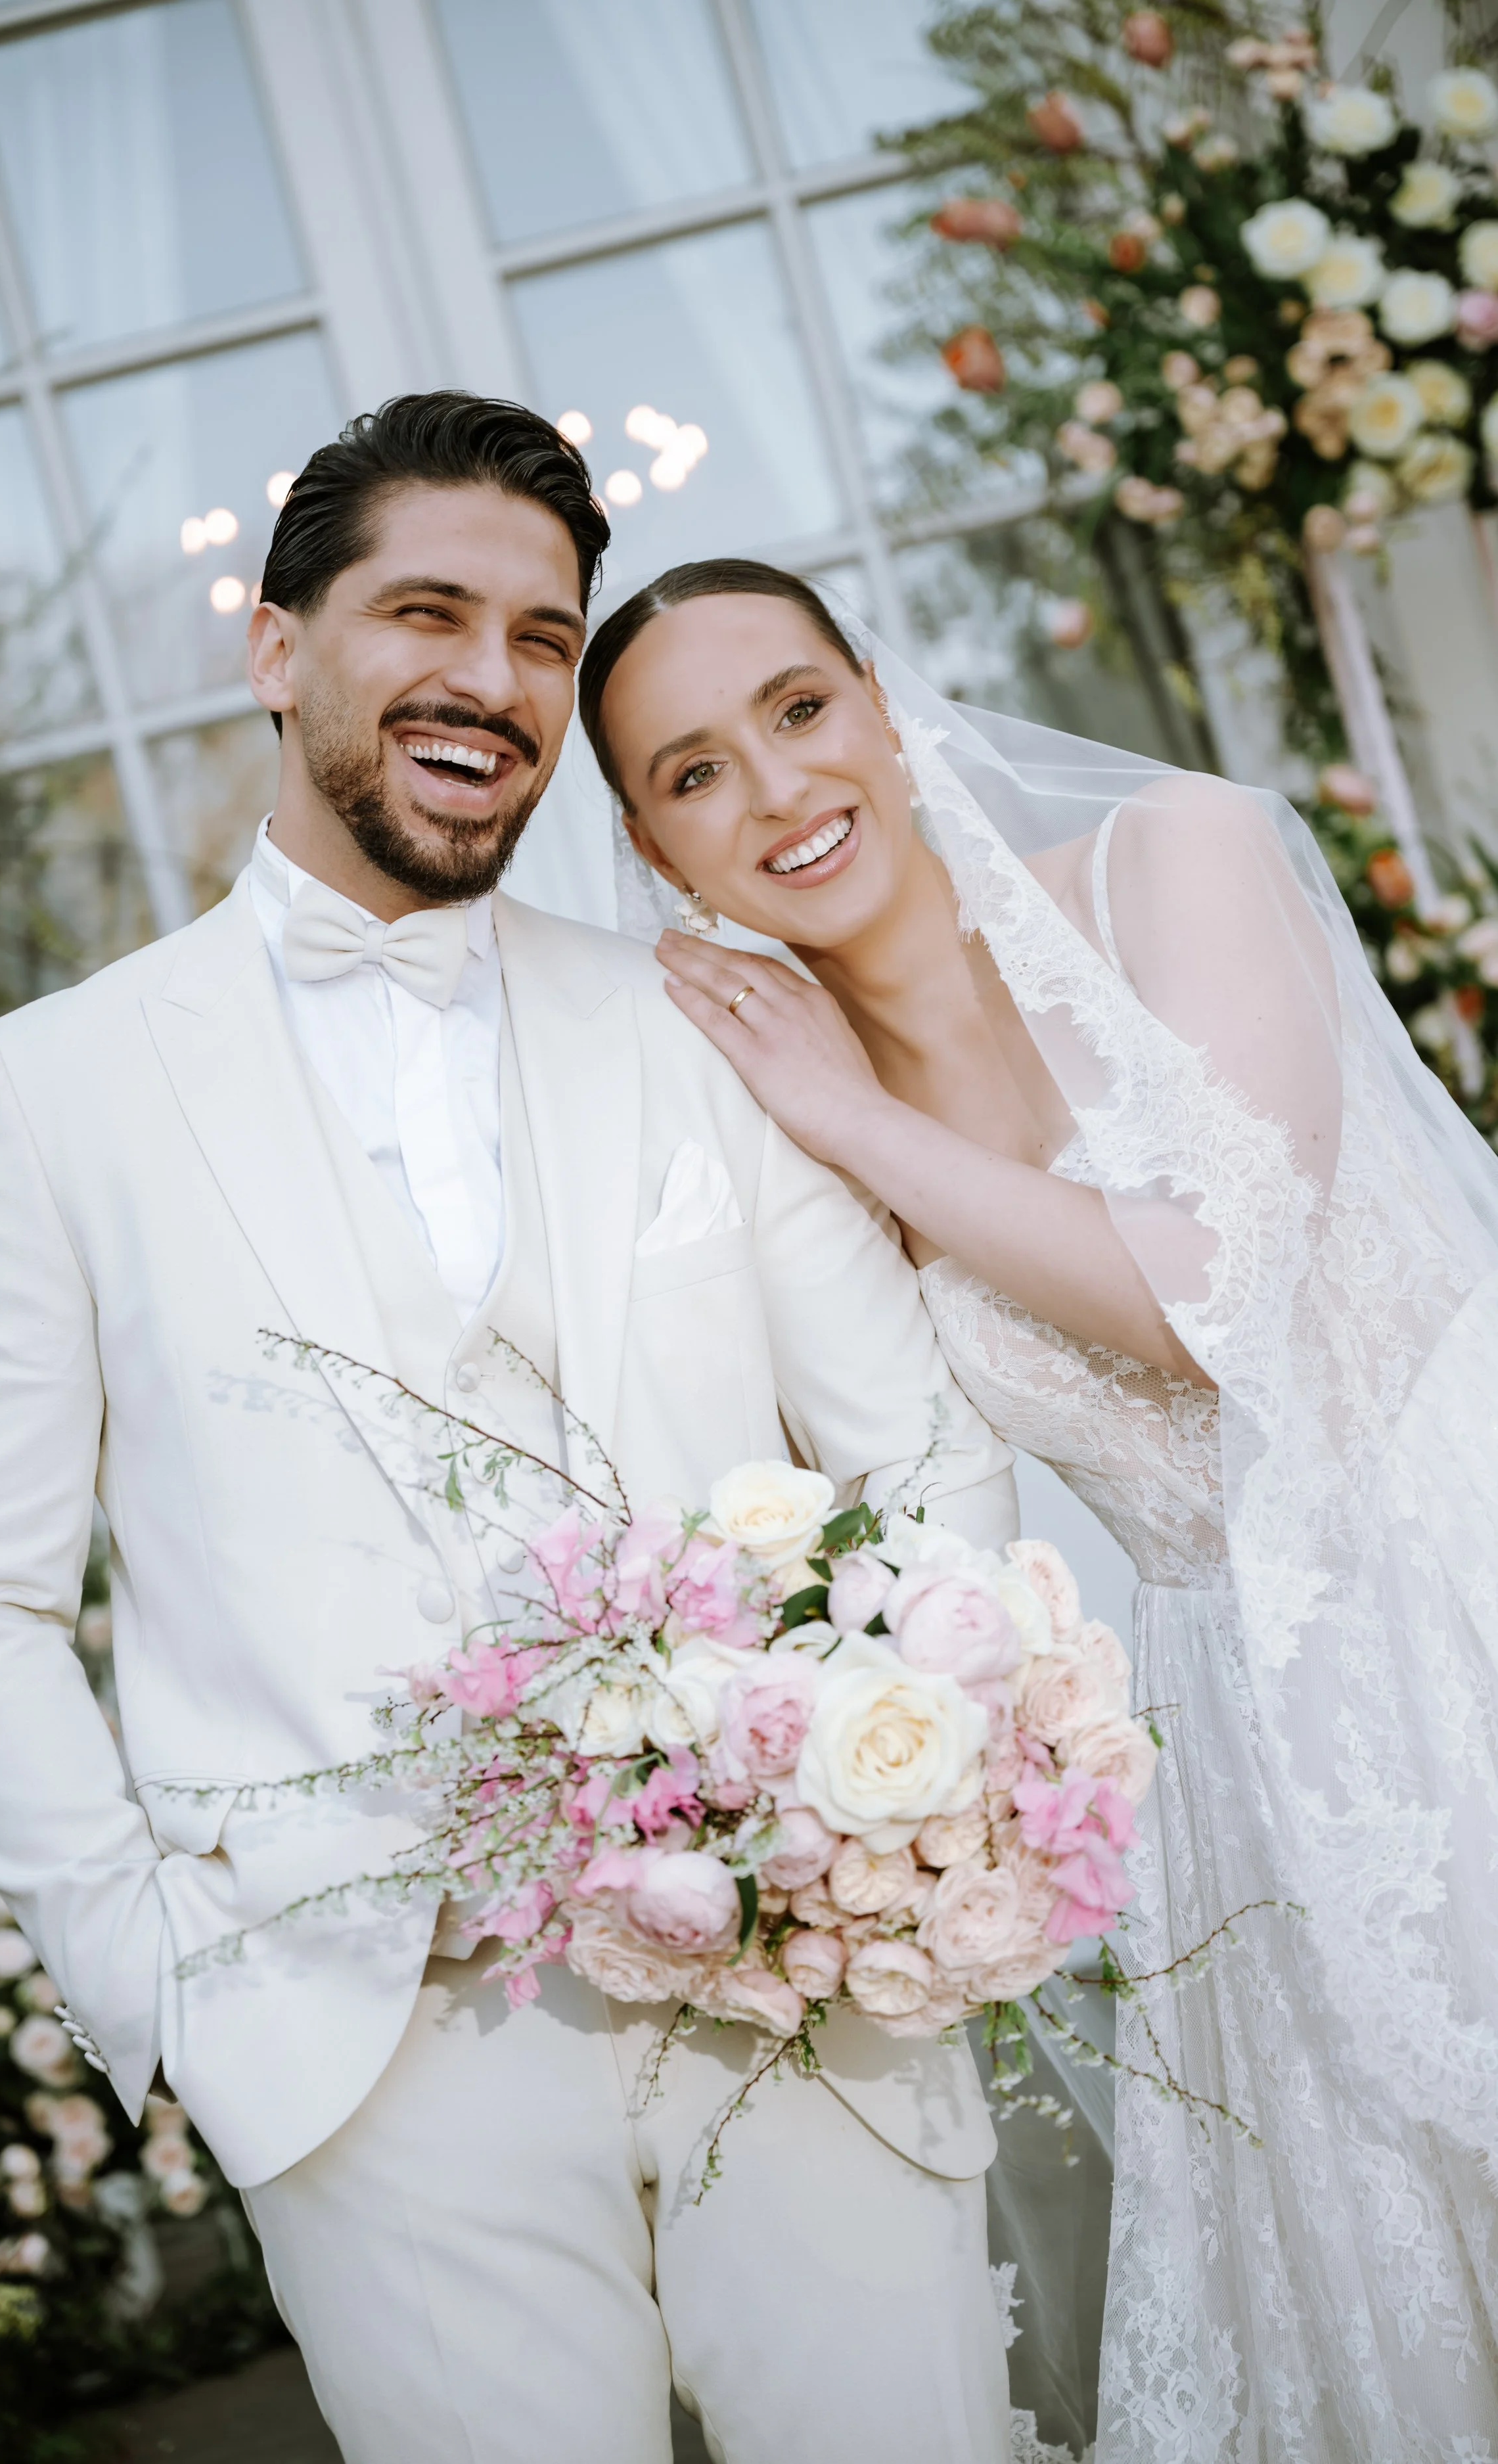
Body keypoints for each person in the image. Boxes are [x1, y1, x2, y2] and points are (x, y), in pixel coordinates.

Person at [0, 401, 1026, 2464]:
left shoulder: (699, 1014)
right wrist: (164, 1979)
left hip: (799, 1977)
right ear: (275, 646)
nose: (489, 680)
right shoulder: (58, 1092)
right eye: (427, 612)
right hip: (361, 2038)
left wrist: (868, 1814)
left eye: (537, 636)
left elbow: (919, 1453)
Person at [577, 556, 1498, 2462]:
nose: (773, 790)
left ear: (885, 699)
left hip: (1464, 1563)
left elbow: (1219, 1295)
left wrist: (860, 1121)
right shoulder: (762, 1113)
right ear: (657, 853)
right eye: (690, 774)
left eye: (797, 709)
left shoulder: (1179, 855)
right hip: (1238, 1713)